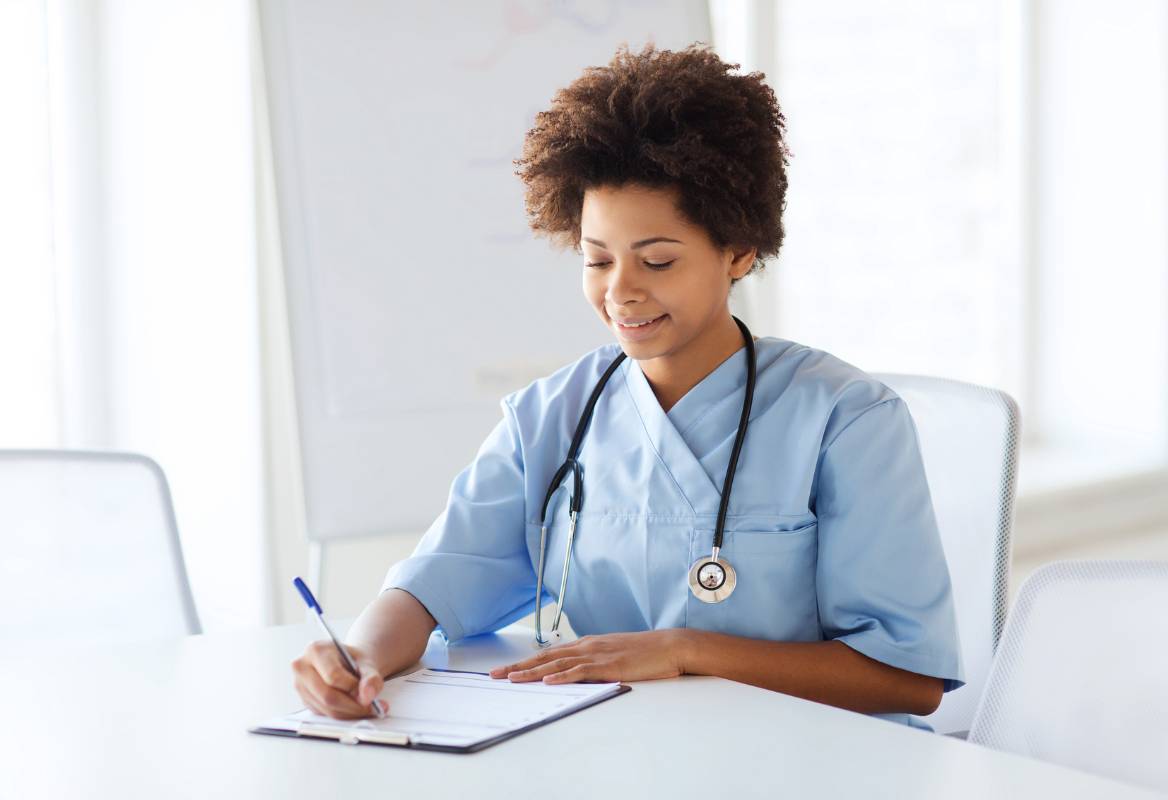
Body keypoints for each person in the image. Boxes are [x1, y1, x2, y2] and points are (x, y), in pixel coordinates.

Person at [291, 43, 964, 730]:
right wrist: (359, 655)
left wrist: (683, 650)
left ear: (739, 250)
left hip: (816, 761)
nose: (620, 292)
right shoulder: (552, 414)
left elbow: (907, 680)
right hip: (625, 753)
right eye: (597, 259)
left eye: (658, 260)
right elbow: (435, 582)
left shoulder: (846, 420)